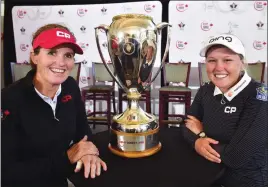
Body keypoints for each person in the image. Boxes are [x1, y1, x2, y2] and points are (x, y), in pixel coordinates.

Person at [1, 24, 107, 187]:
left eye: (68, 55)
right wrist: (67, 158)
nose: (61, 62)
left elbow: (83, 132)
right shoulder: (9, 99)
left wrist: (88, 152)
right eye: (52, 52)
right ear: (34, 56)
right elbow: (6, 173)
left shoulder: (70, 86)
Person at [182, 34, 267, 187]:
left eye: (227, 60)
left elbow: (237, 156)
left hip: (247, 180)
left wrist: (201, 136)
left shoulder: (259, 95)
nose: (218, 67)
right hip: (208, 175)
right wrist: (196, 141)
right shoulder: (205, 90)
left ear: (242, 63)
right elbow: (187, 125)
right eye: (212, 61)